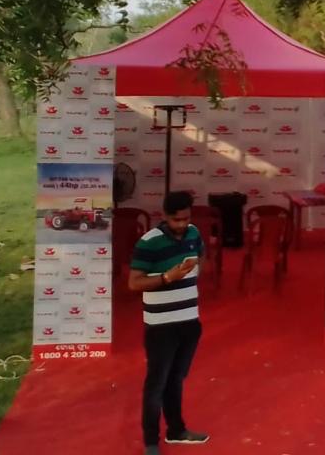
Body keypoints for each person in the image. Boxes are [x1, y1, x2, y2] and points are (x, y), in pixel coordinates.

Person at [128, 191, 210, 454]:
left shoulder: (194, 233)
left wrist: (193, 272)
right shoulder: (149, 242)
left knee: (176, 379)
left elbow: (201, 256)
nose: (182, 224)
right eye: (177, 220)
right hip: (160, 326)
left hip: (189, 322)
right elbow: (134, 283)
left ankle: (176, 430)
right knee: (157, 384)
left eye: (186, 218)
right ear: (164, 216)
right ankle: (151, 442)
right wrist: (166, 278)